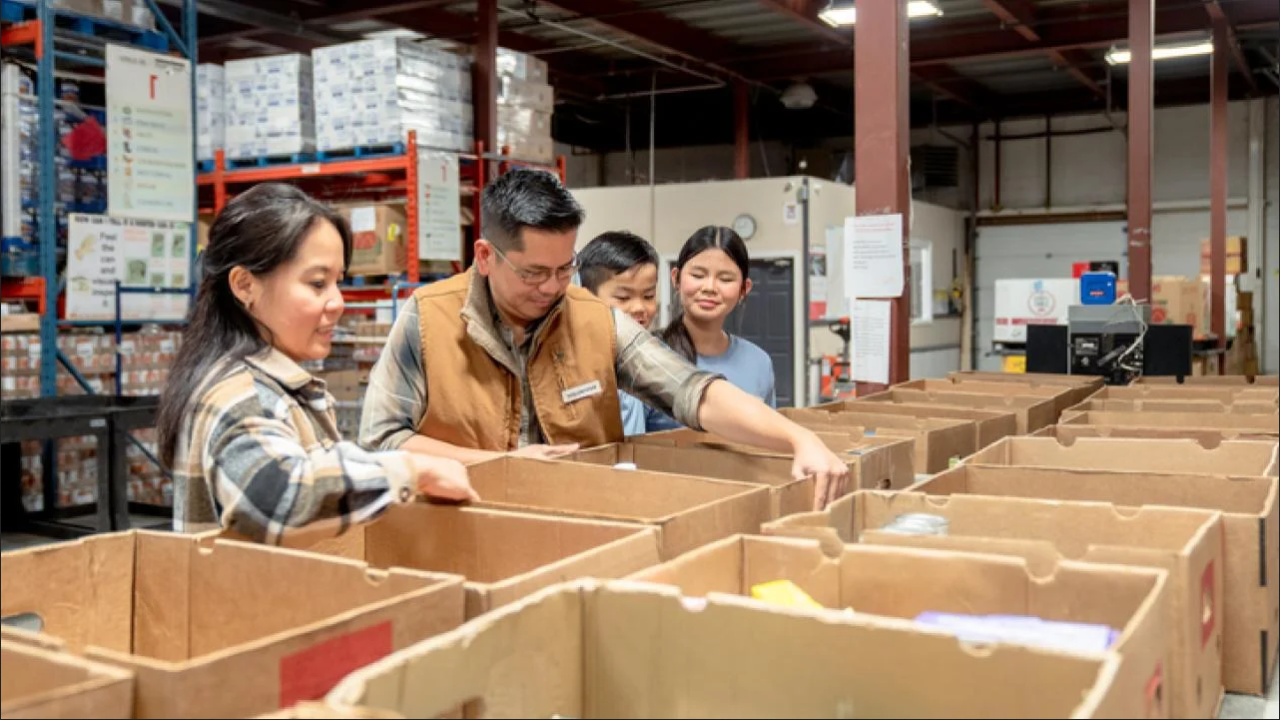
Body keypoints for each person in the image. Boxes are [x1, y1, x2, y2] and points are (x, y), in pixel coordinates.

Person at [360, 168, 849, 509]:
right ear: (486, 256)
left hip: (586, 529)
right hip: (466, 529)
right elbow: (383, 441)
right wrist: (503, 464)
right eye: (533, 272)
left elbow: (691, 391)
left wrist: (797, 438)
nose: (552, 287)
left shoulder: (594, 319)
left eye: (564, 268)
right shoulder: (427, 320)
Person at [157, 184, 477, 545]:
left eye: (337, 282)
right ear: (245, 285)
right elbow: (278, 499)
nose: (337, 302)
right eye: (317, 283)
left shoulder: (275, 385)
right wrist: (410, 471)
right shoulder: (240, 395)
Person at [646, 226, 774, 432]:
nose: (710, 288)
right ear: (676, 279)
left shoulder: (759, 362)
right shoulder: (647, 357)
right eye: (698, 275)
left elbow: (768, 439)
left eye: (725, 279)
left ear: (744, 289)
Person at [576, 230, 659, 436]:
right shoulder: (576, 361)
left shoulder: (644, 358)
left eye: (648, 295)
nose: (640, 307)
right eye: (623, 298)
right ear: (586, 296)